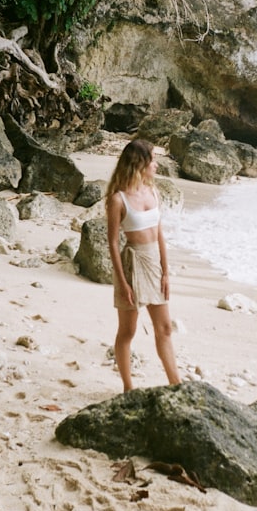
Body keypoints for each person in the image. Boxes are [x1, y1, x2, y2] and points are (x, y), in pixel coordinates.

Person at [106, 139, 182, 392]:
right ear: (140, 163)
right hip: (131, 263)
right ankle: (128, 387)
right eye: (153, 159)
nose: (157, 165)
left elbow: (160, 234)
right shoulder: (118, 199)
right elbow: (114, 243)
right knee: (128, 331)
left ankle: (176, 384)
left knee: (165, 328)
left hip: (154, 263)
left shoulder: (153, 192)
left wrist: (166, 272)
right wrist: (123, 282)